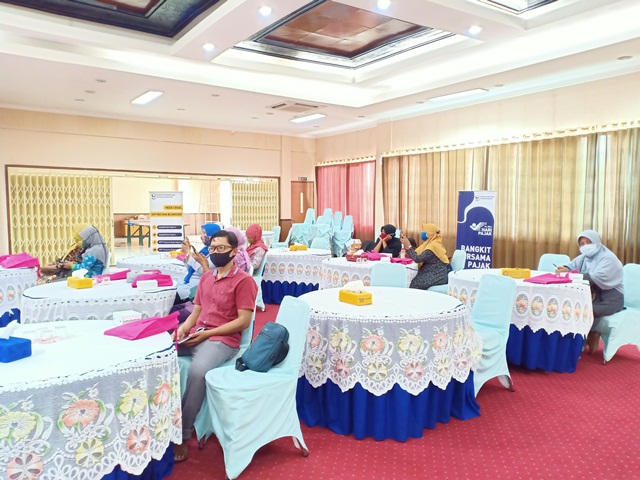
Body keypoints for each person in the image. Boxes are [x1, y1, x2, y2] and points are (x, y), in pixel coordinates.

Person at [173, 230, 258, 463]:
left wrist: (208, 334)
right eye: (212, 248)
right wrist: (182, 329)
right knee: (160, 353)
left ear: (234, 251)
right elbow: (196, 312)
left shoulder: (244, 281)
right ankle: (160, 422)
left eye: (221, 248)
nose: (215, 252)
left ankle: (183, 434)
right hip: (198, 334)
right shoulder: (207, 277)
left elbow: (243, 321)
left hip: (223, 340)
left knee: (198, 371)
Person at [555, 230, 624, 354]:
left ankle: (579, 344)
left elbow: (595, 277)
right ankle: (579, 341)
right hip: (594, 297)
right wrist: (565, 268)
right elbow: (572, 266)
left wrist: (571, 273)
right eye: (582, 244)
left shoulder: (608, 258)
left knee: (582, 311)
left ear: (597, 242)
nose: (585, 246)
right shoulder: (585, 257)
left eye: (589, 242)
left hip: (612, 299)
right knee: (570, 307)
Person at [177, 224, 220, 301]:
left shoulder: (216, 253)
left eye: (205, 233)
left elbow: (202, 270)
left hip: (195, 289)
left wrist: (188, 253)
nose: (202, 236)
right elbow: (191, 268)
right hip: (187, 284)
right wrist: (185, 255)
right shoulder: (205, 249)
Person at [400, 223, 449, 290]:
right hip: (432, 271)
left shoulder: (433, 246)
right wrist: (407, 245)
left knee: (414, 283)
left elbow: (417, 259)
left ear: (428, 234)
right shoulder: (431, 243)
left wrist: (409, 246)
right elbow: (416, 255)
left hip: (437, 275)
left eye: (424, 231)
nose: (422, 233)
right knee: (414, 279)